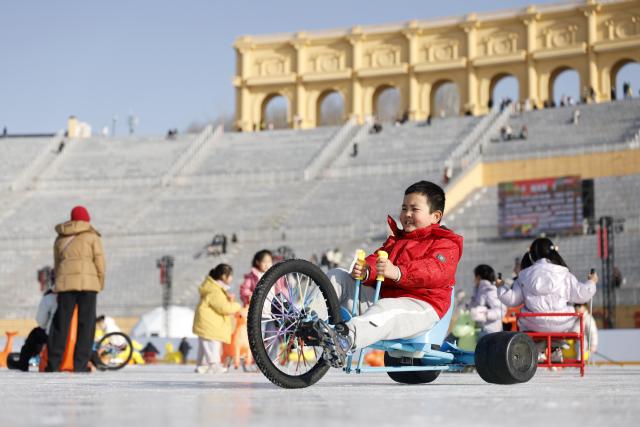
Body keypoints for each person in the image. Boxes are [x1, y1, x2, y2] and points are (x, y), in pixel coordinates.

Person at [307, 181, 463, 367]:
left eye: (414, 209)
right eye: (404, 208)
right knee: (337, 276)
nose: (407, 214)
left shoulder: (445, 244)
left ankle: (345, 339)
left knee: (388, 309)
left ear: (435, 216)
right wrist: (367, 270)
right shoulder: (396, 241)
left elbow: (435, 270)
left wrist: (397, 272)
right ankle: (306, 321)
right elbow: (376, 259)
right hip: (383, 299)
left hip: (422, 305)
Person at [47, 206, 105, 372]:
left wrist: (59, 283)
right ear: (87, 219)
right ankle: (80, 364)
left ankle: (53, 364)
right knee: (86, 325)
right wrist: (99, 282)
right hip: (88, 285)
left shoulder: (60, 237)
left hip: (66, 285)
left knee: (61, 324)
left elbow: (57, 265)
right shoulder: (92, 237)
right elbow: (100, 263)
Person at [496, 237, 597, 333]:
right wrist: (591, 282)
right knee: (573, 313)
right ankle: (556, 345)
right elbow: (582, 295)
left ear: (532, 255)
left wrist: (501, 287)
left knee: (524, 316)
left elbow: (512, 300)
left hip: (533, 324)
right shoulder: (564, 274)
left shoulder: (524, 275)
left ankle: (539, 346)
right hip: (562, 323)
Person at [192, 264, 240, 373]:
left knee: (204, 346)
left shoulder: (213, 287)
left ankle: (202, 365)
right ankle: (213, 364)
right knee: (212, 344)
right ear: (224, 276)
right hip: (210, 324)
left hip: (207, 322)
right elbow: (224, 308)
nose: (231, 278)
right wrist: (237, 306)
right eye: (230, 276)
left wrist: (228, 299)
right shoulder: (215, 290)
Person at [7, 272, 58, 371]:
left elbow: (41, 321)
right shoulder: (81, 296)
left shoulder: (50, 297)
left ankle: (23, 363)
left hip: (54, 334)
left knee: (35, 334)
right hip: (75, 335)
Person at [468, 265, 504, 337]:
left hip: (491, 331)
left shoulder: (490, 290)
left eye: (475, 277)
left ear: (478, 277)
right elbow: (475, 306)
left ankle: (440, 346)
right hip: (479, 329)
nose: (474, 280)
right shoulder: (478, 290)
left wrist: (485, 314)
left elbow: (500, 310)